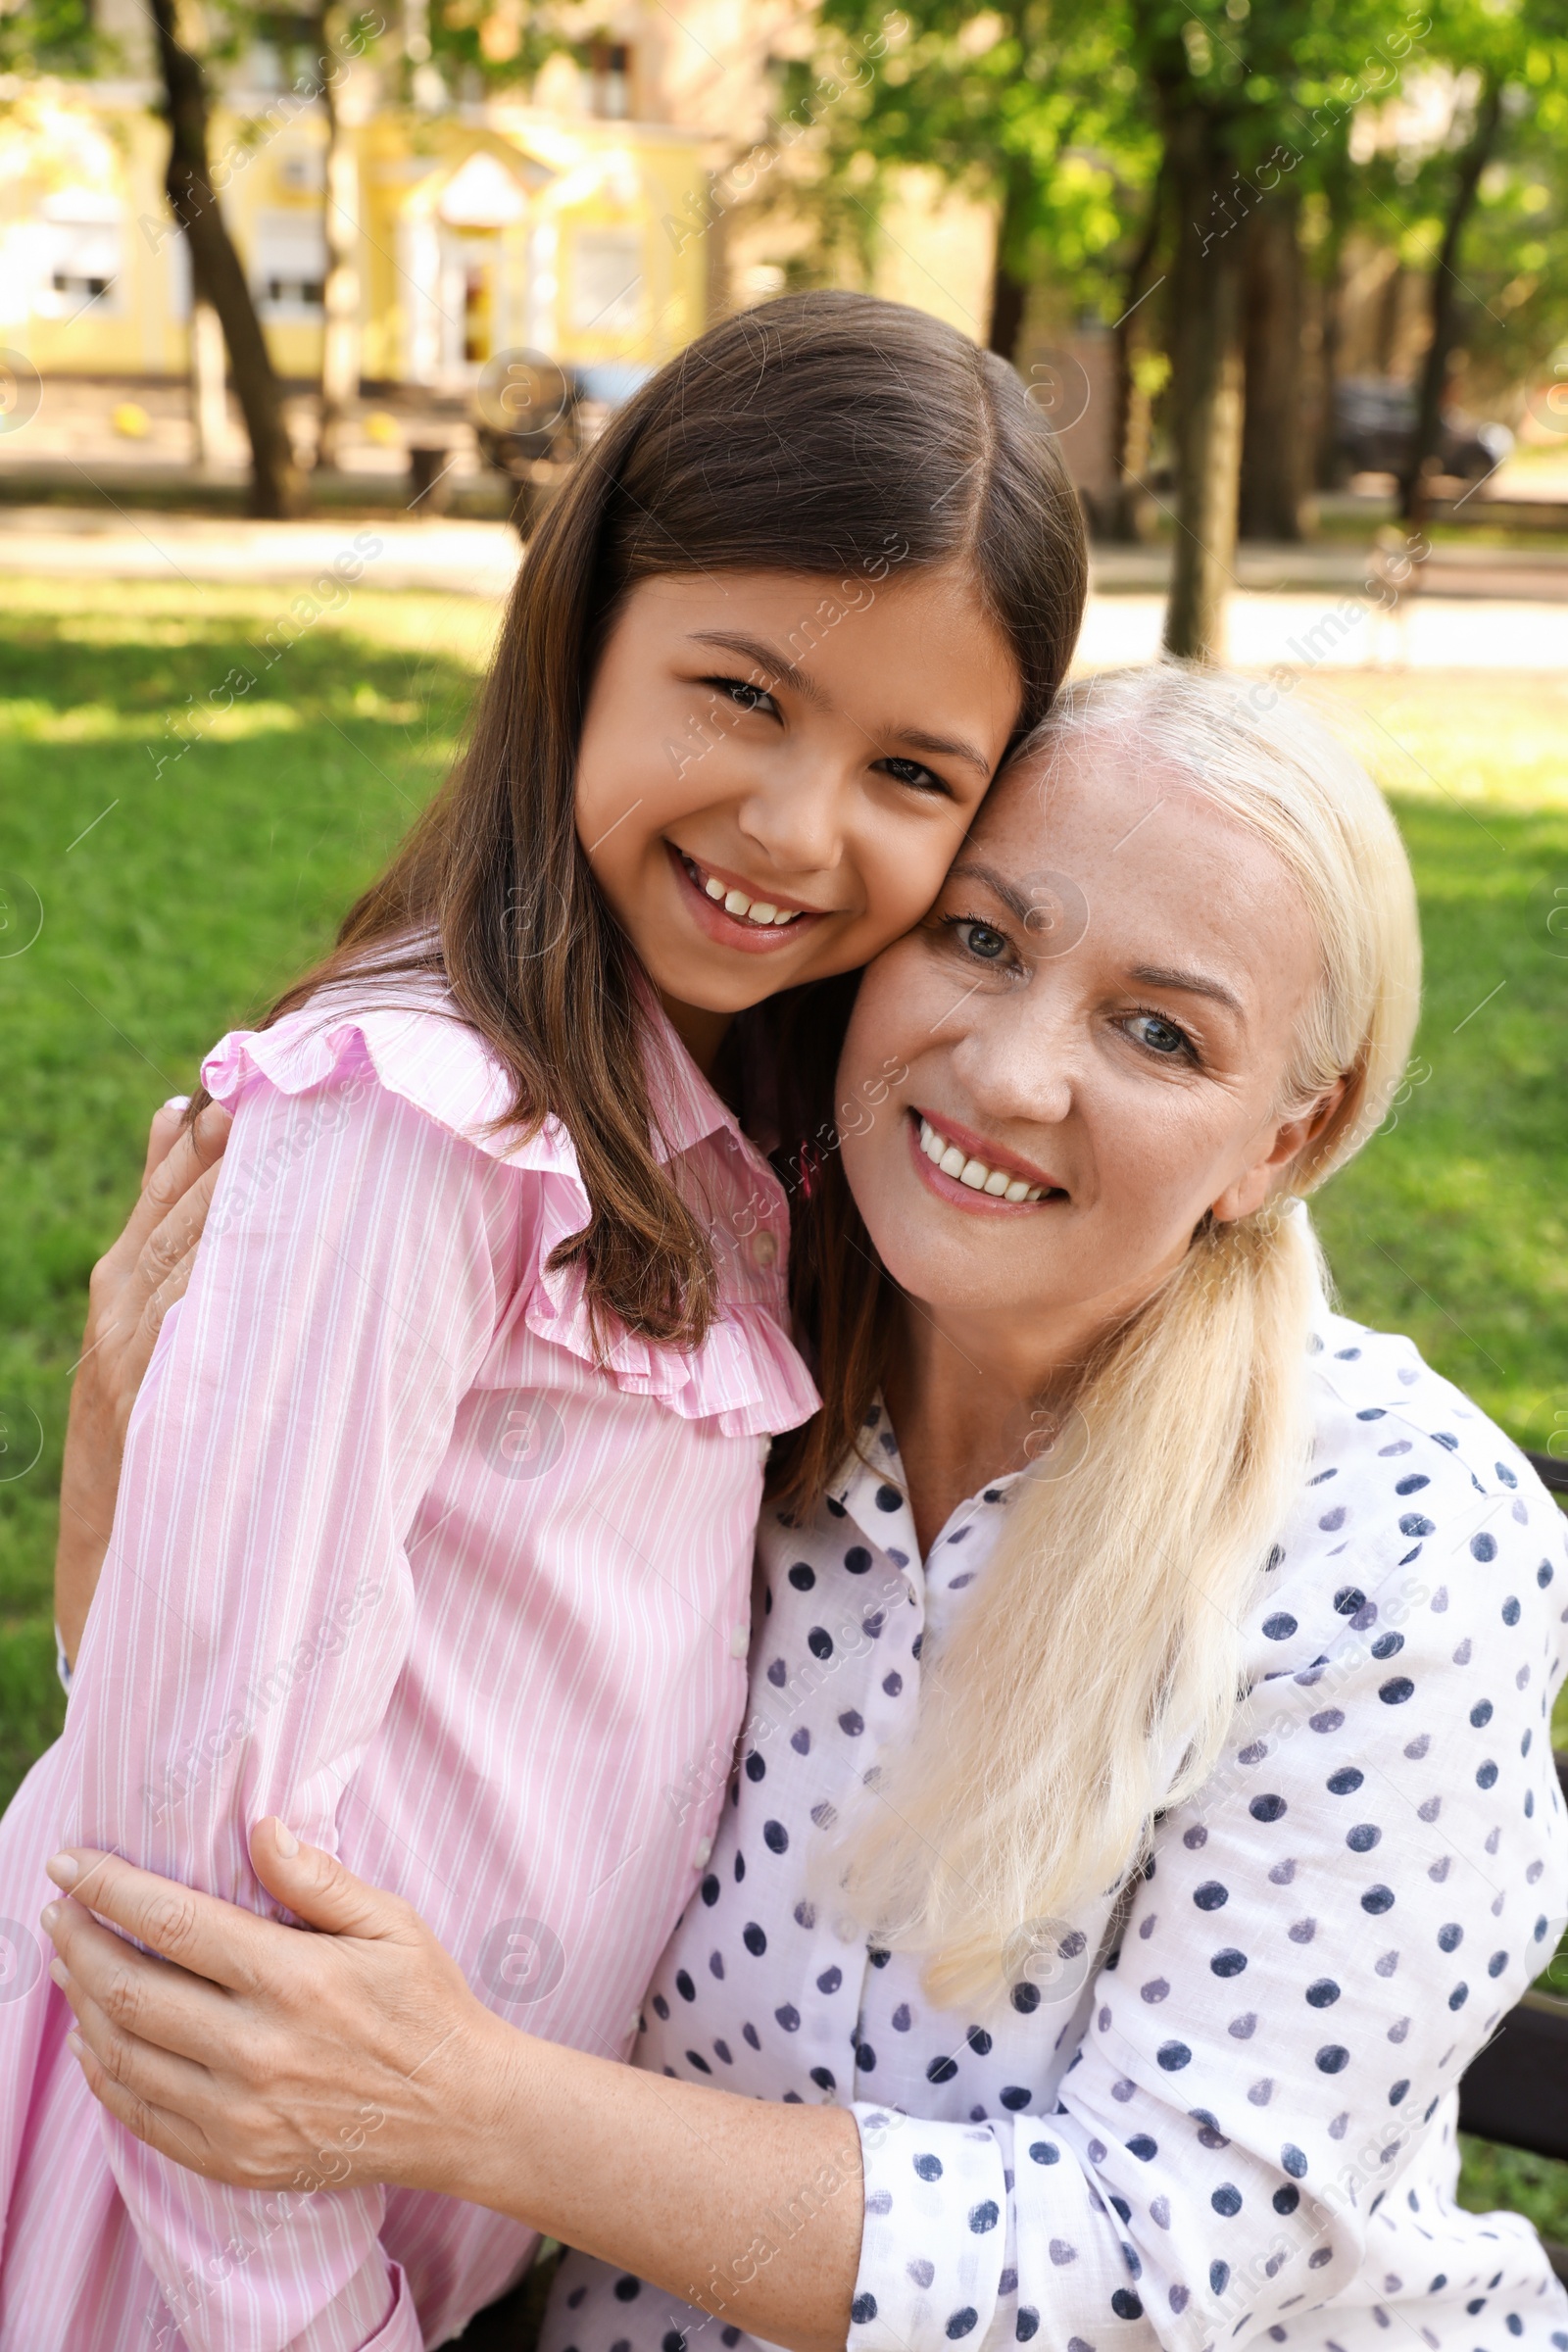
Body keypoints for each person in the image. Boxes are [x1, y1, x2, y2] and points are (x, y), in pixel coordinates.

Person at [42, 668, 1568, 2352]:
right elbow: (363, 1795)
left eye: (1158, 1032)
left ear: (1291, 1132)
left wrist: (468, 2105)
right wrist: (145, 1501)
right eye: (981, 940)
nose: (1010, 1073)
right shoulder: (713, 1392)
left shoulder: (1396, 1536)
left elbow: (1155, 2253)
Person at [0, 290, 1087, 2352]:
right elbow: (184, 1883)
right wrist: (310, 2323)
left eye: (908, 769)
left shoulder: (729, 1130)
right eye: (737, 692)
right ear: (581, 630)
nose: (789, 824)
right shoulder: (419, 1127)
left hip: (425, 2230)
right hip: (199, 2252)